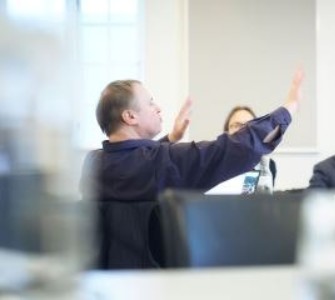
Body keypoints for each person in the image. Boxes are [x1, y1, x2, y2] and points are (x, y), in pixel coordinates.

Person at [82, 70, 303, 269]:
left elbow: (134, 164)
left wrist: (170, 139)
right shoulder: (160, 162)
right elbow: (234, 149)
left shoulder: (93, 163)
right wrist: (288, 109)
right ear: (130, 116)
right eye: (150, 103)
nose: (158, 108)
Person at [223, 106, 278, 189]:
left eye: (249, 125)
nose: (242, 130)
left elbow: (249, 196)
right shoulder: (215, 162)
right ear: (226, 132)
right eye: (236, 125)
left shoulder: (267, 165)